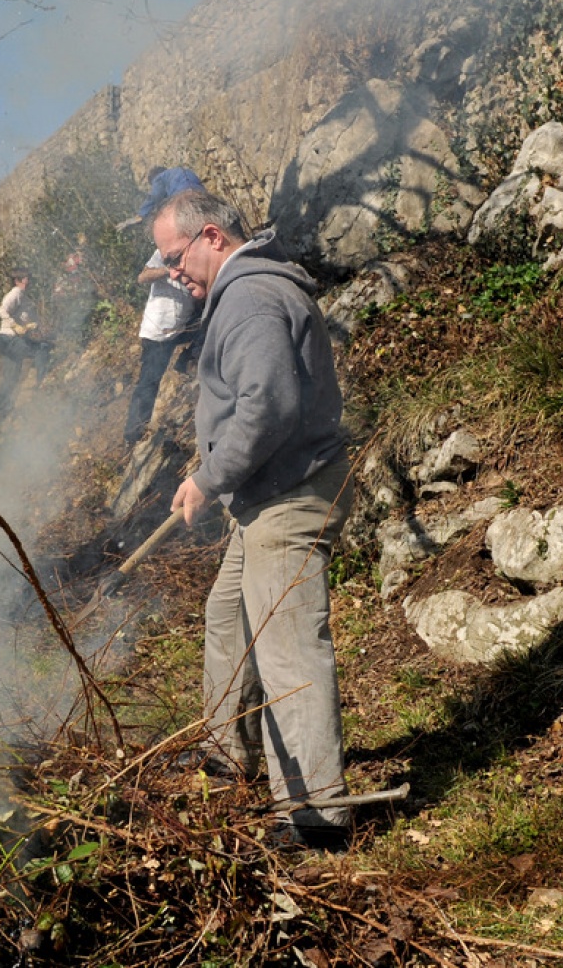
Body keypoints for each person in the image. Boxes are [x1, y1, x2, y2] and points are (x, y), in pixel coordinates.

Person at [152, 188, 354, 849]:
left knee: (287, 643)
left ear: (211, 235)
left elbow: (267, 404)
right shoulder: (243, 292)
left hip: (289, 498)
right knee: (227, 612)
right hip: (265, 496)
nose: (172, 273)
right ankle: (226, 753)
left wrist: (209, 478)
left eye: (175, 257)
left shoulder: (248, 297)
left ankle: (315, 816)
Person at [123, 249, 200, 445]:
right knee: (149, 381)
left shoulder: (196, 248)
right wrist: (168, 271)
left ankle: (185, 363)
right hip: (158, 331)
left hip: (182, 325)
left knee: (211, 322)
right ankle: (134, 435)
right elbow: (143, 276)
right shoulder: (166, 249)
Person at [0, 267, 52, 419]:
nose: (29, 281)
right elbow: (2, 310)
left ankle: (0, 410)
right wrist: (14, 325)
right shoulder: (16, 293)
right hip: (9, 339)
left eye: (28, 278)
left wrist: (31, 325)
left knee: (11, 376)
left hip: (6, 340)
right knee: (41, 348)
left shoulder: (23, 296)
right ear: (17, 280)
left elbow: (25, 317)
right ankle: (42, 382)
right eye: (26, 278)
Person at [117, 165, 206, 230]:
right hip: (202, 196)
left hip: (184, 199)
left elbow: (155, 197)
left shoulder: (159, 178)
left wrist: (141, 215)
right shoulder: (182, 172)